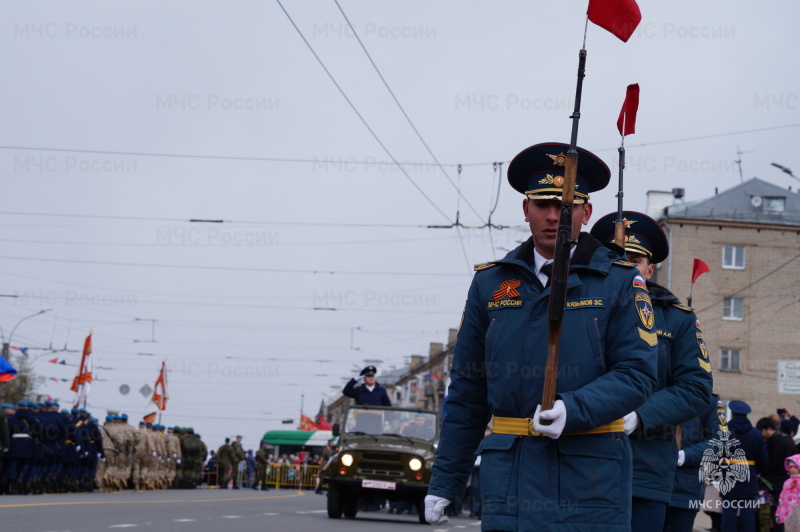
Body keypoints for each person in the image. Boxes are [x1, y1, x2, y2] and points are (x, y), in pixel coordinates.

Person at [424, 142, 658, 530]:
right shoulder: (490, 284)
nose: (553, 216)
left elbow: (637, 373)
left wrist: (575, 407)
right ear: (525, 209)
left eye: (565, 206)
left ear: (586, 212)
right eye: (542, 204)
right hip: (509, 486)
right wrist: (446, 480)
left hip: (590, 487)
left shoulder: (619, 281)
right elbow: (467, 391)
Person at [590, 210, 714, 531]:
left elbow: (696, 389)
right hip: (579, 464)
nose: (626, 265)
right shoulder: (575, 308)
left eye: (635, 259)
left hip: (643, 471)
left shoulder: (678, 319)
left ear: (650, 269)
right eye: (615, 257)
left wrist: (640, 416)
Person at [664, 393, 727, 532]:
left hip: (684, 489)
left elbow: (720, 442)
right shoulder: (660, 388)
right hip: (648, 485)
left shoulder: (708, 400)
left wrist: (684, 456)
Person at [720, 400, 767, 532]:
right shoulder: (756, 434)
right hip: (749, 475)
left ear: (733, 415)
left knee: (728, 511)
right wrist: (755, 472)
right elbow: (763, 458)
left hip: (728, 474)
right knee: (748, 512)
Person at [756, 417, 798, 531]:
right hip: (781, 482)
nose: (761, 434)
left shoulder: (776, 442)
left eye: (762, 431)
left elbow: (773, 462)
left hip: (776, 483)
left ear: (768, 429)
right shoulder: (783, 440)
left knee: (776, 512)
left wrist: (761, 470)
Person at [777, 455, 800, 527]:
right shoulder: (787, 482)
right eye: (790, 467)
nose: (792, 469)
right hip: (787, 515)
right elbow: (782, 498)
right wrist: (778, 513)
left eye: (795, 467)